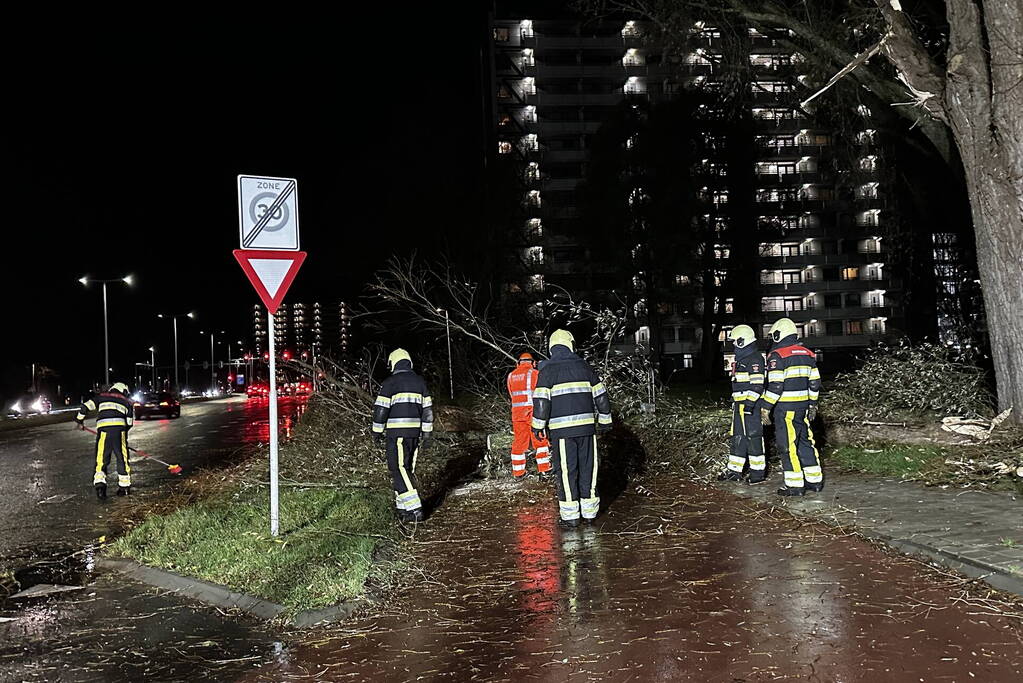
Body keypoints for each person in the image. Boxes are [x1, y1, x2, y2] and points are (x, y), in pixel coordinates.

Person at [531, 329, 613, 528]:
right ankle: (590, 513)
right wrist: (605, 421)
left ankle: (571, 517)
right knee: (589, 469)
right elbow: (601, 396)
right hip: (586, 430)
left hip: (562, 433)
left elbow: (541, 402)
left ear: (551, 347)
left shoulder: (548, 370)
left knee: (567, 472)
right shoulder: (584, 366)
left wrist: (538, 426)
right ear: (571, 344)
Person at [758, 318, 824, 496]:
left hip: (785, 409)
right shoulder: (808, 354)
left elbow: (776, 386)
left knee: (787, 446)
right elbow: (815, 383)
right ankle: (815, 481)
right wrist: (812, 404)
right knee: (806, 442)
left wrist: (765, 407)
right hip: (803, 408)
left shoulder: (778, 355)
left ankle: (794, 485)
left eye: (773, 336)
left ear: (779, 335)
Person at [372, 348, 434, 523]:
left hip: (397, 434)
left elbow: (381, 411)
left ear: (393, 363)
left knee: (398, 468)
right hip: (414, 435)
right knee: (406, 469)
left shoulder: (390, 383)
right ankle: (403, 509)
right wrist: (427, 434)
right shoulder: (420, 382)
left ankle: (414, 509)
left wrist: (376, 431)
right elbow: (427, 411)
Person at [718, 325, 767, 484]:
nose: (733, 344)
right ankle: (734, 471)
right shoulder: (743, 359)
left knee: (753, 437)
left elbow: (757, 385)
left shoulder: (754, 358)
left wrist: (750, 404)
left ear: (741, 341)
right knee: (738, 438)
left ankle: (757, 473)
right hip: (740, 406)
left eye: (734, 341)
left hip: (750, 406)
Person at [75, 382, 134, 499]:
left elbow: (84, 407)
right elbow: (129, 423)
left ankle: (100, 487)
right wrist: (123, 436)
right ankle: (124, 488)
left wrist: (79, 421)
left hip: (104, 432)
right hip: (119, 432)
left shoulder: (101, 397)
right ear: (124, 392)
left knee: (101, 459)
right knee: (122, 458)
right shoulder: (127, 402)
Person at [506, 352, 552, 478]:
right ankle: (544, 469)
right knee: (540, 440)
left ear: (518, 363)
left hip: (517, 414)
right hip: (533, 412)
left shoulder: (510, 376)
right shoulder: (535, 374)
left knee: (519, 442)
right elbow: (541, 393)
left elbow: (512, 395)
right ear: (533, 363)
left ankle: (518, 472)